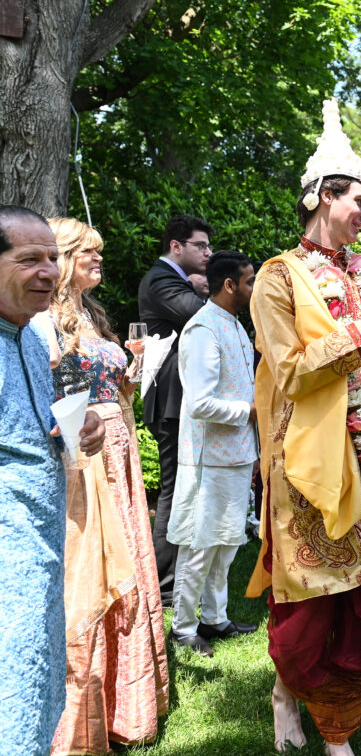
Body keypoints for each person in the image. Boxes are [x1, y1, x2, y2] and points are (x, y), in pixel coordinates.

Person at [244, 98, 361, 755]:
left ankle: (337, 726)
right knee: (309, 612)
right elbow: (290, 372)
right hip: (311, 468)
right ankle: (287, 692)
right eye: (359, 200)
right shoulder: (277, 276)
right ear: (323, 195)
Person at [35, 218, 169, 753]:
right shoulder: (45, 318)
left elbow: (108, 381)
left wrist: (133, 367)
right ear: (66, 256)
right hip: (85, 451)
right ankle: (81, 711)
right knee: (95, 564)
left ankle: (128, 704)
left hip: (121, 442)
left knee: (130, 555)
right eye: (90, 251)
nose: (99, 259)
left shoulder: (92, 313)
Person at [0, 206, 105, 753]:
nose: (48, 271)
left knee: (36, 679)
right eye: (29, 259)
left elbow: (39, 421)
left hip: (41, 546)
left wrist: (78, 426)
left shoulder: (34, 337)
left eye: (51, 258)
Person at [167, 251, 259, 657]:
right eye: (249, 281)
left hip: (237, 453)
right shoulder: (203, 329)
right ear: (229, 285)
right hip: (206, 456)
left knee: (227, 543)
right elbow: (200, 403)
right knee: (200, 545)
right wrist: (252, 411)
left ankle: (215, 618)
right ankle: (183, 627)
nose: (253, 289)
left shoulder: (235, 326)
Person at [138, 213, 213, 605]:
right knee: (174, 490)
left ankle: (177, 580)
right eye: (201, 246)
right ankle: (164, 586)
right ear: (176, 247)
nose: (208, 253)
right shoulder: (160, 279)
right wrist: (205, 290)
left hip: (185, 399)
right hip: (172, 400)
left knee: (188, 489)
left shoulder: (179, 279)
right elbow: (201, 317)